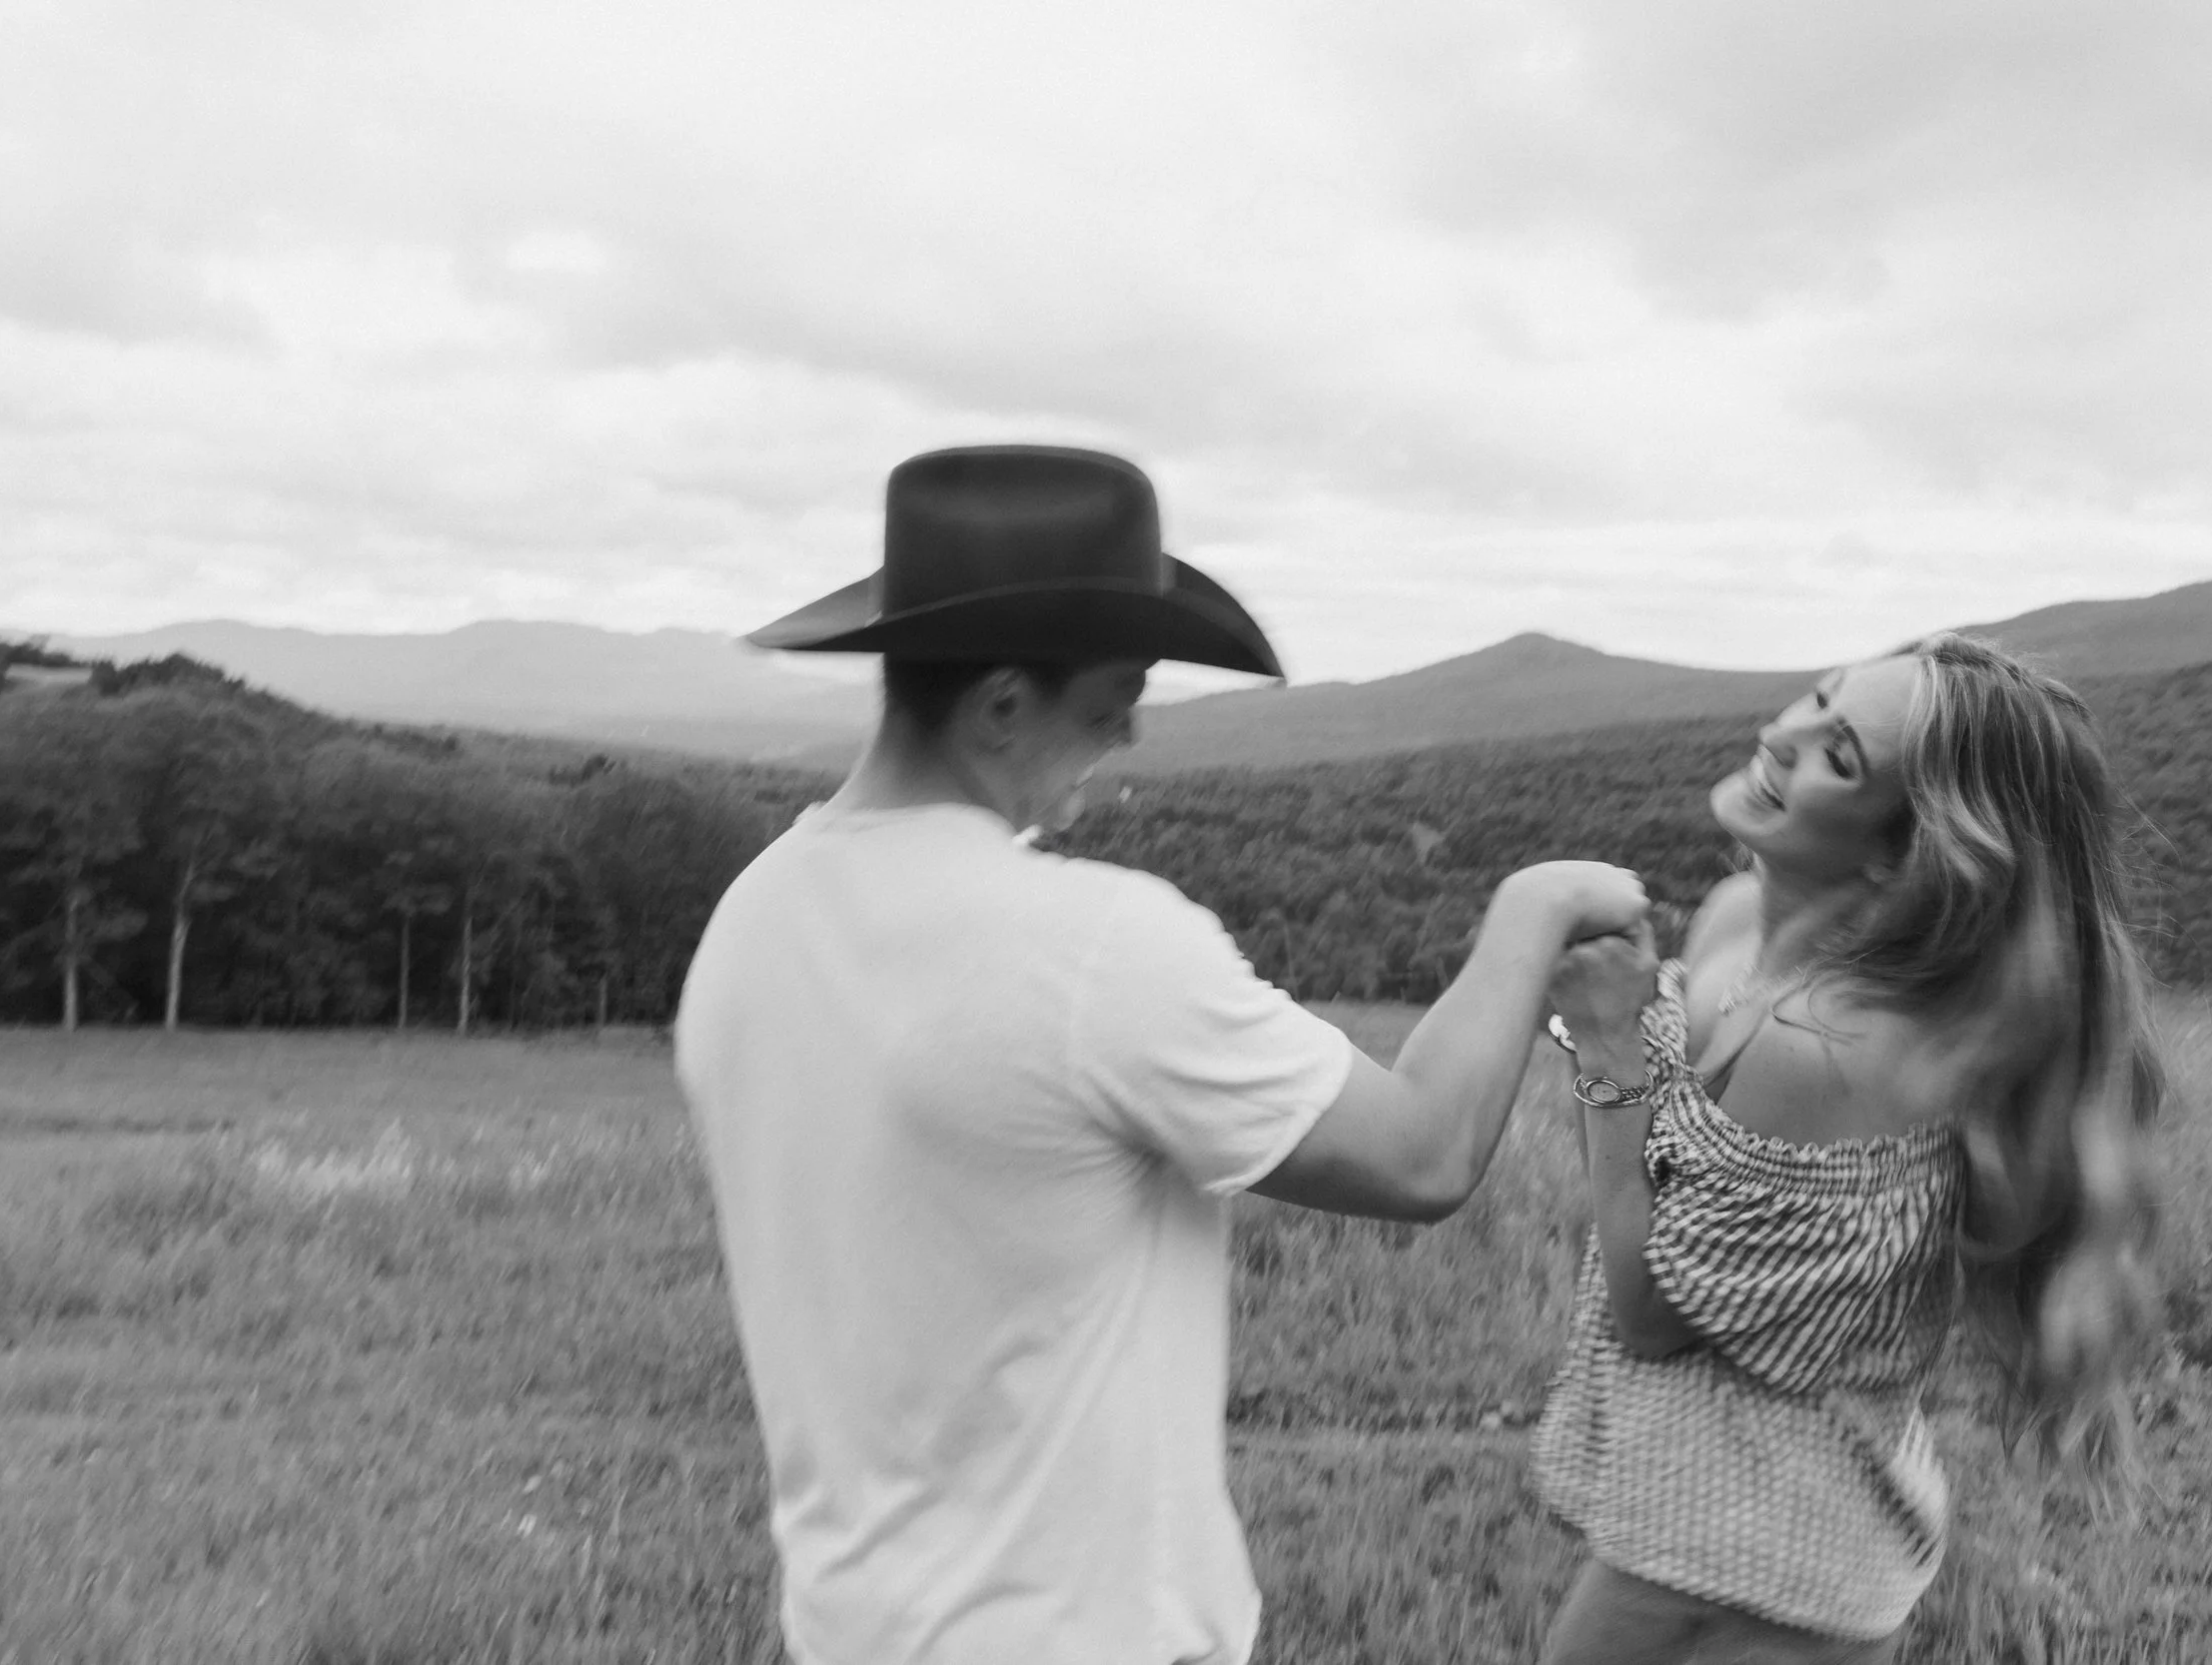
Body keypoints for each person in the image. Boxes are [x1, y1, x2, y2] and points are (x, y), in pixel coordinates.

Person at [674, 443, 1649, 1665]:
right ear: (1003, 706)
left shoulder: (751, 917)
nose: (1132, 728)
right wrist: (1535, 903)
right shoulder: (1091, 943)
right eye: (1111, 695)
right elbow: (1421, 1154)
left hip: (851, 1624)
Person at [1531, 632, 2164, 1664]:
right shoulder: (1738, 918)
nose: (1779, 734)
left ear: (1901, 848)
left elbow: (1652, 1313)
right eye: (1815, 700)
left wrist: (1605, 1041)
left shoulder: (1826, 1041)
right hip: (1693, 1507)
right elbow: (1664, 1169)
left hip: (1760, 1557)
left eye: (1839, 754)